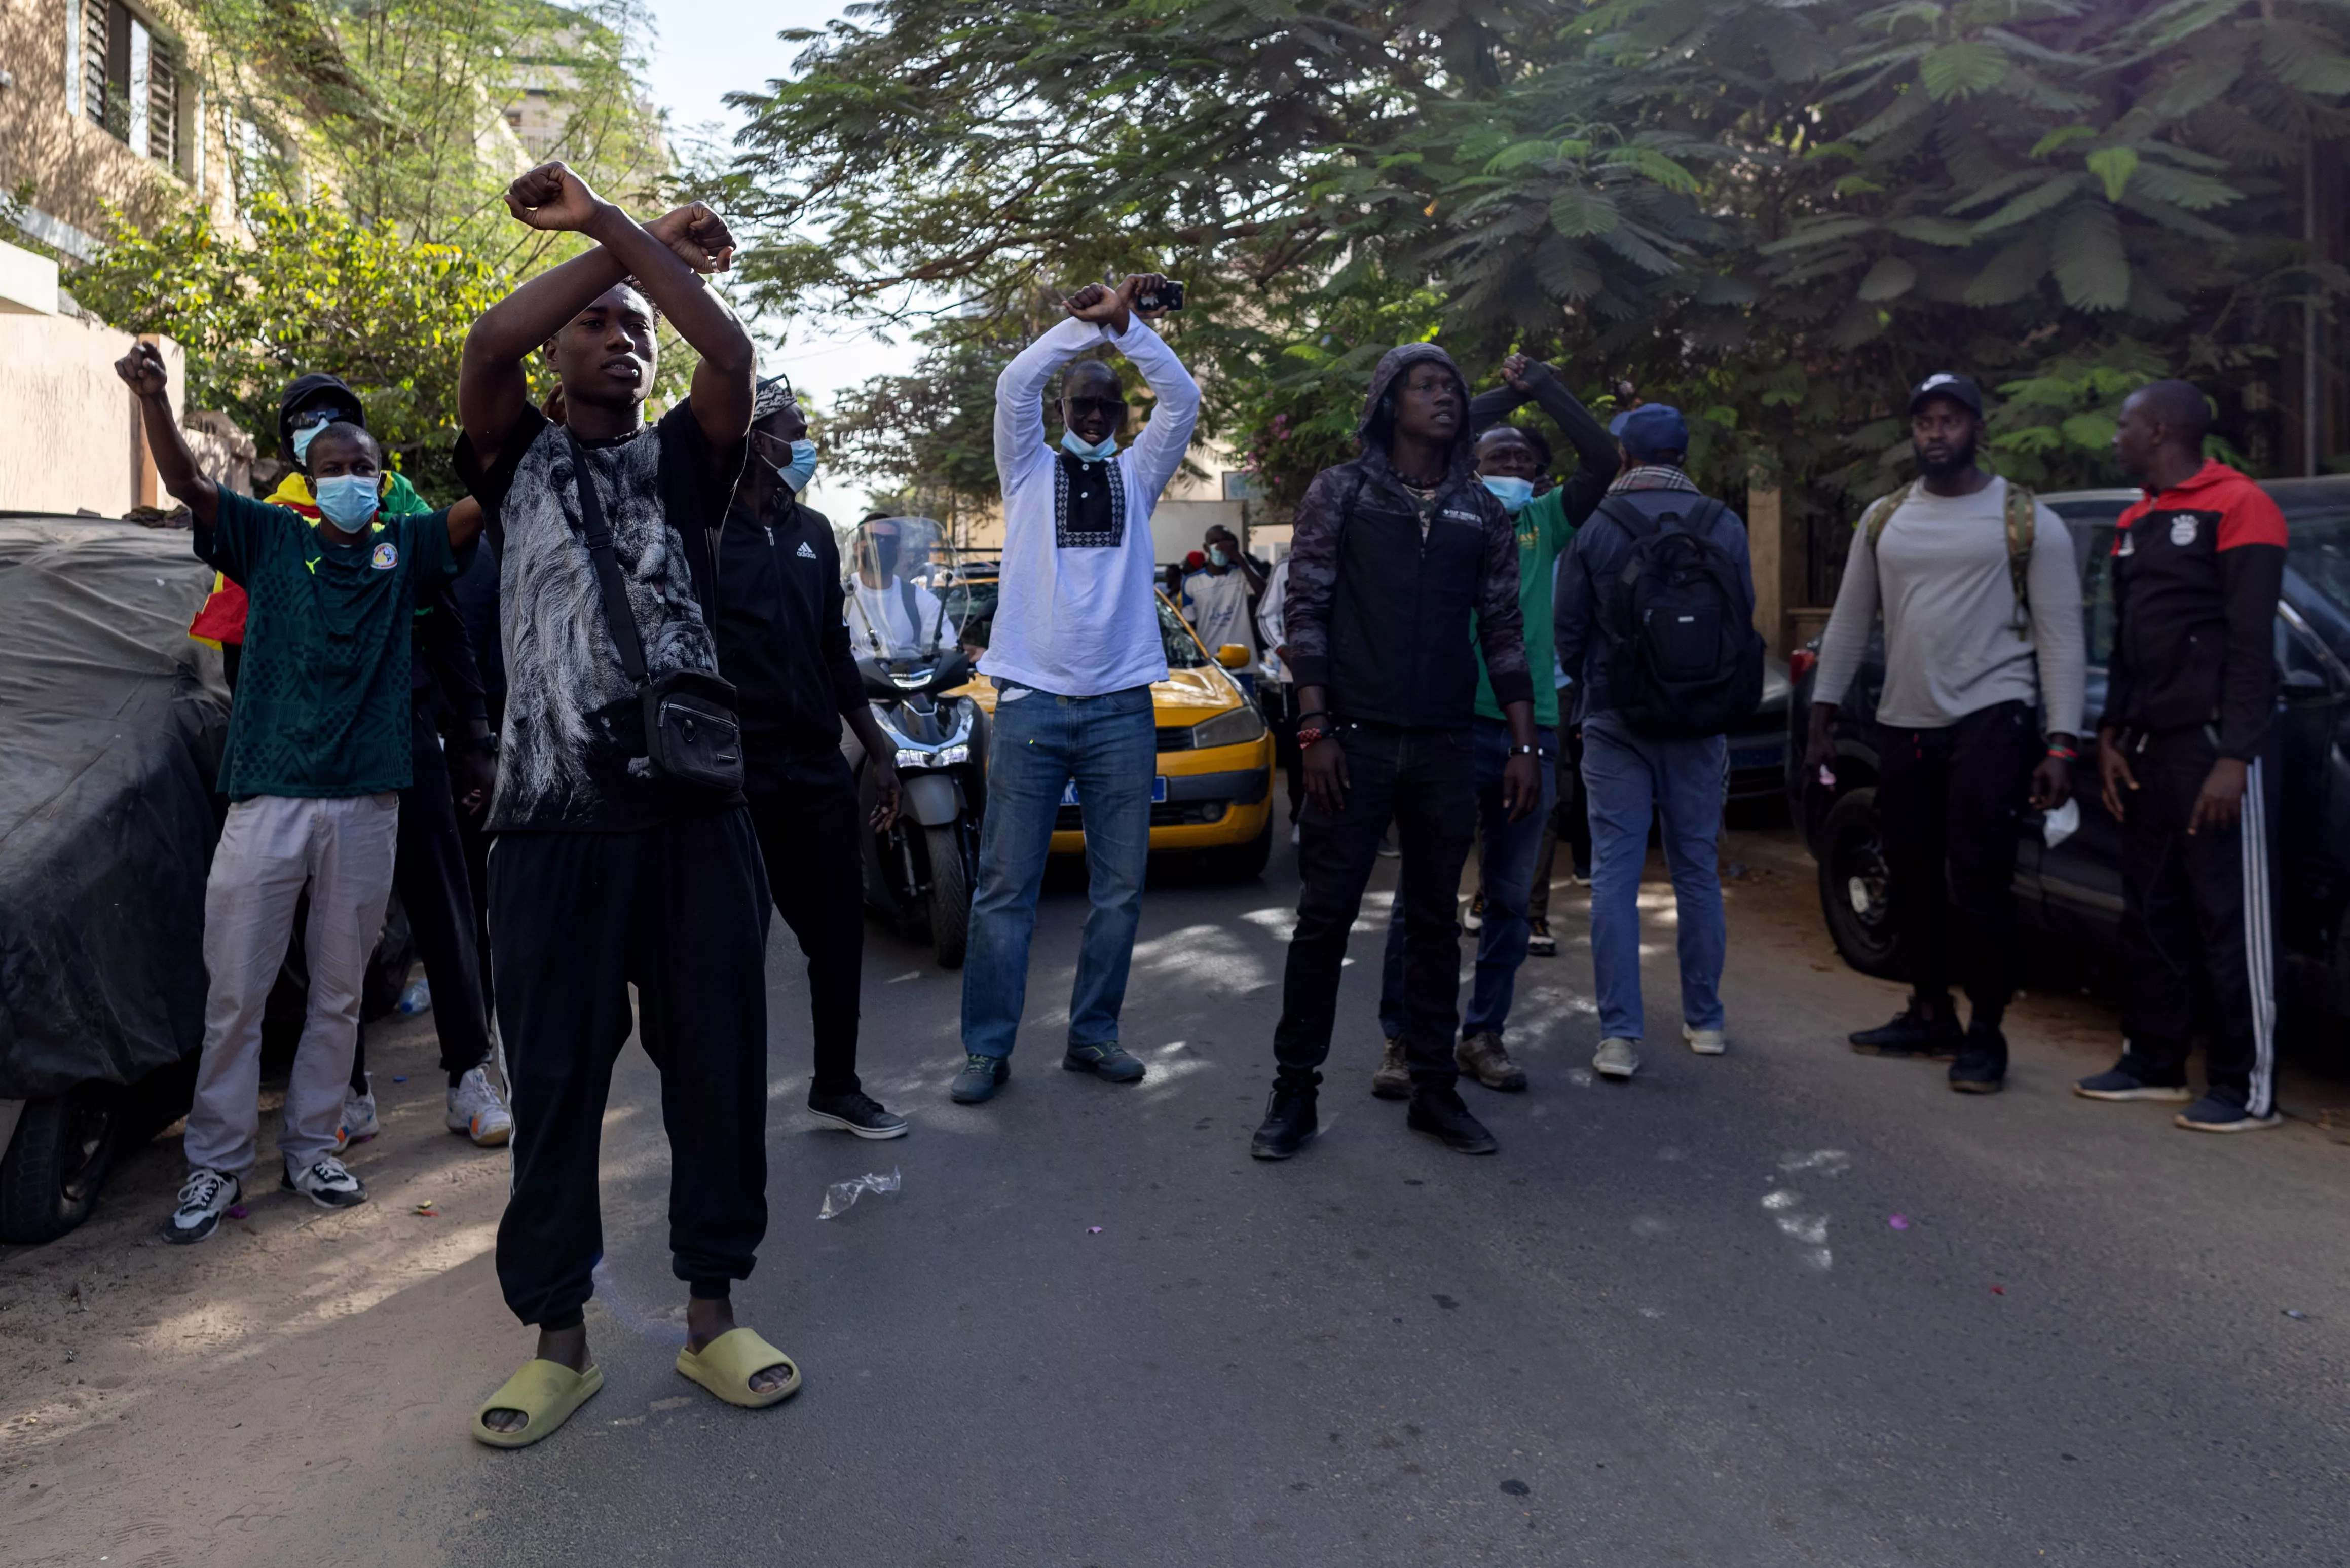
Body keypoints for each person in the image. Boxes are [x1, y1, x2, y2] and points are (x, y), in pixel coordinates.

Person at [455, 163, 786, 1447]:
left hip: (697, 825)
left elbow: (731, 352)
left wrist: (636, 247)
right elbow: (491, 338)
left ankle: (712, 1317)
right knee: (551, 1085)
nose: (623, 335)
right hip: (550, 830)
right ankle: (558, 1339)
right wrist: (615, 247)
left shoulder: (684, 466)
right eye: (598, 323)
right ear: (557, 364)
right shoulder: (514, 454)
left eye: (635, 328)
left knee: (715, 1075)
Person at [115, 344, 482, 1247]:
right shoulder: (269, 539)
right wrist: (155, 401)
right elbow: (185, 481)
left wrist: (535, 426)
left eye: (363, 465)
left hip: (367, 803)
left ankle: (315, 1144)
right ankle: (215, 1161)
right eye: (332, 467)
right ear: (306, 483)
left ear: (382, 476)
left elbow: (489, 503)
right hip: (269, 800)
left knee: (340, 990)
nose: (350, 477)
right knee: (237, 990)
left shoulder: (406, 549)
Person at [1250, 343, 1542, 1161]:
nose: (1444, 396)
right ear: (1389, 402)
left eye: (1452, 383)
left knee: (1431, 921)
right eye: (1425, 384)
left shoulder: (1480, 509)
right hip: (1352, 739)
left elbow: (1504, 631)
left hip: (1447, 742)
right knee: (1323, 918)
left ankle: (1433, 1089)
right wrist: (1312, 728)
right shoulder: (1340, 492)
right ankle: (1293, 1091)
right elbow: (1304, 611)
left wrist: (1523, 742)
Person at [950, 273, 1200, 1105]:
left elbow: (1184, 395)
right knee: (1004, 889)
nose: (1095, 418)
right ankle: (986, 1049)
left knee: (1119, 889)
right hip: (1029, 702)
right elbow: (1014, 383)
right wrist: (1081, 332)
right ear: (1063, 412)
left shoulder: (1138, 475)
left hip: (1123, 704)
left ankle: (1094, 1034)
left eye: (1109, 409)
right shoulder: (1024, 468)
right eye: (1082, 405)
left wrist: (1126, 333)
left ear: (1124, 421)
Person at [1808, 372, 2083, 1093]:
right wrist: (1821, 714)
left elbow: (2060, 635)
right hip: (1907, 721)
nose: (1936, 432)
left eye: (1950, 419)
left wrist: (2062, 741)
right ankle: (1930, 1010)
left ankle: (1986, 1031)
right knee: (1912, 873)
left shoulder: (2025, 520)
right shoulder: (1884, 519)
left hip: (1994, 716)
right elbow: (1847, 620)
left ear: (1975, 429)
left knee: (1980, 878)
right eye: (1925, 420)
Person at [1367, 358, 1598, 1098]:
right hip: (1447, 724)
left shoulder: (1546, 519)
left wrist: (1549, 390)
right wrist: (1502, 394)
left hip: (1533, 731)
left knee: (1507, 896)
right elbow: (1427, 428)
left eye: (1524, 461)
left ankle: (1483, 1034)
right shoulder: (1446, 506)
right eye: (1498, 455)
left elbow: (1602, 458)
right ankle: (1402, 1039)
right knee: (1424, 893)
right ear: (1470, 462)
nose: (1512, 466)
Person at [2075, 380, 2287, 1133]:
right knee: (2152, 907)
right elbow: (2127, 641)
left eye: (2125, 425)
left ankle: (2243, 1086)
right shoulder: (2138, 516)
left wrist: (2236, 754)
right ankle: (2154, 1062)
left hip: (2212, 747)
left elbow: (2253, 644)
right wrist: (2109, 731)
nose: (2115, 437)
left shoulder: (2240, 503)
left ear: (2159, 429)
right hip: (2145, 746)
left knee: (2225, 916)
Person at [714, 375, 909, 1139]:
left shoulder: (816, 532)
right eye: (792, 434)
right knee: (734, 946)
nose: (804, 448)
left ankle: (837, 1085)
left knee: (837, 936)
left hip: (815, 769)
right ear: (754, 440)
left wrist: (876, 745)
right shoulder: (705, 531)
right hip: (736, 777)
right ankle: (729, 1103)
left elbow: (833, 648)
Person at [1553, 403, 1755, 1081]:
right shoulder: (1723, 522)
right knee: (1696, 866)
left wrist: (1591, 688)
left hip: (1617, 715)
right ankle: (1706, 1021)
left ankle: (1619, 1036)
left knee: (1614, 870)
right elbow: (1744, 611)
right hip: (1699, 720)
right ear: (1683, 454)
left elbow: (1569, 624)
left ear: (1624, 453)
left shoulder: (1597, 525)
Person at [845, 513, 948, 654]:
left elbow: (946, 648)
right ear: (857, 548)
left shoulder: (917, 598)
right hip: (852, 676)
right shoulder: (840, 594)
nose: (882, 544)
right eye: (874, 538)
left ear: (898, 551)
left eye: (890, 541)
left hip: (904, 675)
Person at [1181, 524, 1259, 683]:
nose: (1220, 546)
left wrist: (1240, 559)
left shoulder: (1241, 576)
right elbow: (1189, 626)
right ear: (1206, 547)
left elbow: (1264, 594)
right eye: (1215, 542)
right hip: (1211, 664)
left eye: (1225, 541)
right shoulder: (1192, 583)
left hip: (1243, 662)